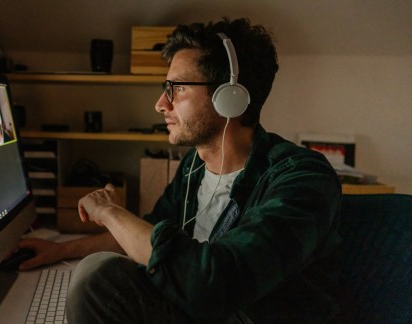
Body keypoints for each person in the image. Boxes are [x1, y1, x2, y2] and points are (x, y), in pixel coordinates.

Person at [17, 17, 342, 323]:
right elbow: (152, 232)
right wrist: (60, 250)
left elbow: (215, 283)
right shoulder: (194, 166)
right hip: (193, 310)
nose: (161, 104)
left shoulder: (301, 178)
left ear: (230, 97)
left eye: (177, 88)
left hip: (240, 315)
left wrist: (111, 213)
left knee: (97, 279)